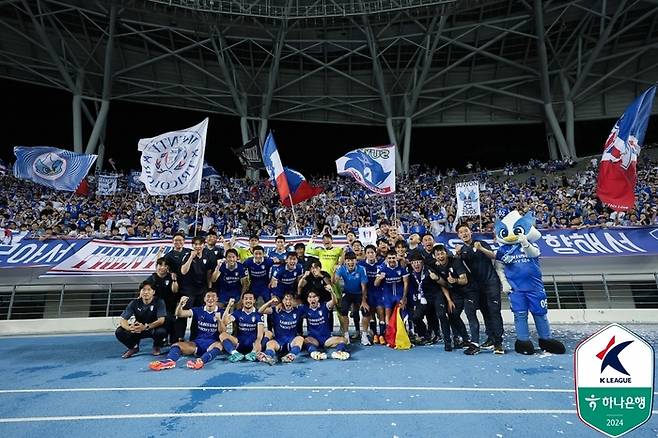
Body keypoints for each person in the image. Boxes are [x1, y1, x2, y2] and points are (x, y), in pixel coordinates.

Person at [455, 223, 505, 355]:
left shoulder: (481, 243)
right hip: (477, 287)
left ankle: (498, 343)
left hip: (491, 283)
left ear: (470, 231)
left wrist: (481, 249)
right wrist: (458, 254)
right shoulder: (462, 251)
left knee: (494, 312)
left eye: (466, 231)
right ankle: (491, 338)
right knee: (485, 312)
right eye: (461, 232)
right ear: (458, 235)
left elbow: (493, 256)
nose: (464, 234)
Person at [149, 290, 224, 371]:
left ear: (217, 299)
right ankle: (169, 361)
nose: (210, 299)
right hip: (197, 343)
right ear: (204, 299)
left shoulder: (222, 312)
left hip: (212, 344)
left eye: (213, 296)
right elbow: (179, 314)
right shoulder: (198, 310)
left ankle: (200, 361)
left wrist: (219, 320)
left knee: (219, 345)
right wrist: (181, 305)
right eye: (208, 296)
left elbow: (223, 331)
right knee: (176, 345)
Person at [431, 244, 471, 349]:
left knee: (454, 315)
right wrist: (448, 299)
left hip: (461, 293)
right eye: (438, 254)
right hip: (447, 293)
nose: (440, 256)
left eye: (442, 253)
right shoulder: (435, 266)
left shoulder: (455, 262)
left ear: (446, 253)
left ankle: (464, 338)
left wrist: (455, 280)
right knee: (444, 315)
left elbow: (465, 280)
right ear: (434, 256)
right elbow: (443, 284)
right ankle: (451, 340)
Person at [116, 280, 167, 358]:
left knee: (162, 331)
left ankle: (156, 346)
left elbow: (161, 320)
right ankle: (134, 347)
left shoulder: (159, 302)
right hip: (138, 329)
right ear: (140, 291)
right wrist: (129, 328)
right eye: (143, 290)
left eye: (149, 290)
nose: (146, 292)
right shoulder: (134, 303)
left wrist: (146, 326)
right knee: (119, 331)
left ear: (153, 292)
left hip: (152, 328)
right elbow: (123, 319)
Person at [178, 236, 215, 340]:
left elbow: (208, 273)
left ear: (204, 245)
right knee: (184, 313)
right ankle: (180, 336)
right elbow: (183, 271)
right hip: (188, 290)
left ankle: (194, 337)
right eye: (195, 244)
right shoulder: (187, 255)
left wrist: (209, 288)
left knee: (198, 314)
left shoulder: (207, 256)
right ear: (192, 245)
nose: (198, 246)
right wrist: (191, 257)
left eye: (200, 244)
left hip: (202, 290)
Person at [300, 291, 350, 360]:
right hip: (314, 339)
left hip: (326, 339)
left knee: (344, 340)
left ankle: (338, 352)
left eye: (314, 297)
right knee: (305, 340)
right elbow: (293, 305)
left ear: (318, 298)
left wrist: (331, 292)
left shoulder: (325, 306)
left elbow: (334, 301)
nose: (312, 299)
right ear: (307, 299)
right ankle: (314, 353)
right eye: (310, 297)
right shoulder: (305, 308)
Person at [257, 293, 305, 365]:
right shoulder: (276, 310)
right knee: (270, 343)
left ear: (294, 301)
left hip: (292, 341)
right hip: (279, 341)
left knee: (300, 339)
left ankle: (291, 355)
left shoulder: (298, 310)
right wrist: (270, 302)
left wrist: (297, 304)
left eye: (290, 300)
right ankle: (268, 356)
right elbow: (260, 311)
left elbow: (308, 307)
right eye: (286, 299)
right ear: (282, 301)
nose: (288, 302)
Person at [333, 252, 369, 345]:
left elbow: (364, 286)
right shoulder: (341, 269)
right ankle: (346, 335)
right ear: (345, 261)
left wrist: (364, 301)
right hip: (348, 293)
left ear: (356, 261)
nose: (350, 263)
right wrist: (334, 272)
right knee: (343, 310)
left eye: (352, 260)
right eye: (348, 260)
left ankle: (364, 336)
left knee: (366, 311)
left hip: (359, 293)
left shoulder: (361, 269)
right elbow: (334, 281)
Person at [219, 292, 265, 362]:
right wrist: (228, 306)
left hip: (253, 345)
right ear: (242, 301)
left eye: (250, 299)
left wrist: (257, 344)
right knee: (222, 335)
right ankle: (235, 354)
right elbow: (225, 322)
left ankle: (253, 354)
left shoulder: (258, 314)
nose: (248, 301)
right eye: (246, 299)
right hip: (239, 343)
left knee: (265, 335)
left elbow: (259, 335)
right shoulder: (238, 313)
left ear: (254, 300)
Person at [146, 258, 179, 344]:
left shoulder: (171, 277)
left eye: (165, 265)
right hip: (157, 307)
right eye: (160, 265)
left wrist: (175, 280)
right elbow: (145, 292)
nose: (162, 267)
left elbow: (175, 290)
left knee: (173, 323)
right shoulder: (151, 279)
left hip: (170, 306)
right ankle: (159, 341)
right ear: (156, 266)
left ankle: (173, 343)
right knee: (160, 325)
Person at [374, 250, 409, 329]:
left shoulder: (402, 268)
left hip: (399, 295)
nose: (391, 260)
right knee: (388, 315)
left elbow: (406, 283)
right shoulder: (383, 269)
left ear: (396, 258)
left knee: (401, 314)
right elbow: (375, 284)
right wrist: (380, 278)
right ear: (386, 259)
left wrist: (404, 298)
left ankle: (403, 332)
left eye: (393, 258)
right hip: (388, 296)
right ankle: (388, 333)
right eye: (389, 258)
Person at [358, 245, 385, 345]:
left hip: (379, 292)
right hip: (367, 293)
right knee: (371, 315)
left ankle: (382, 334)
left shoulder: (381, 264)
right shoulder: (361, 265)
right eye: (368, 253)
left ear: (375, 253)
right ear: (365, 254)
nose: (370, 254)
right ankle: (374, 335)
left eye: (372, 252)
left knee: (381, 313)